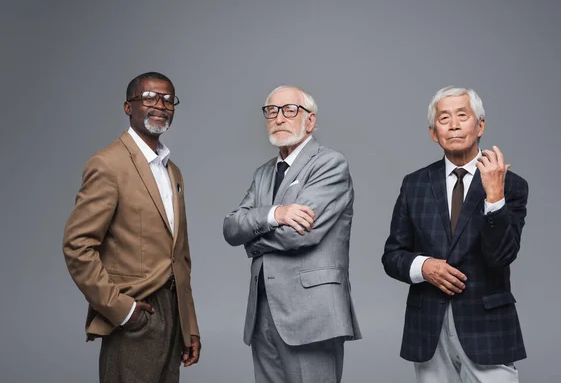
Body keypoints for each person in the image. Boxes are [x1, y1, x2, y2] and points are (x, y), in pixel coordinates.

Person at [382, 86, 528, 382]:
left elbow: (501, 256)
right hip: (428, 328)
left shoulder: (510, 185)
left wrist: (494, 196)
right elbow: (392, 256)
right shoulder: (414, 184)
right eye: (444, 118)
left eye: (462, 115)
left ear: (480, 126)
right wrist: (423, 267)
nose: (454, 124)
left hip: (488, 326)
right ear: (434, 133)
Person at [63, 72, 201, 383]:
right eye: (150, 97)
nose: (161, 106)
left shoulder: (172, 172)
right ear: (128, 107)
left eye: (168, 99)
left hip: (173, 313)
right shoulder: (108, 164)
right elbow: (77, 245)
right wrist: (124, 311)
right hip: (136, 314)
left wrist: (189, 325)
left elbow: (181, 257)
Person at [223, 85, 361, 383]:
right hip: (263, 313)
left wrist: (253, 239)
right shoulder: (263, 173)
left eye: (289, 110)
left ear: (310, 120)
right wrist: (276, 214)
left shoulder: (330, 164)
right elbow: (232, 227)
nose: (279, 118)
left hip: (312, 314)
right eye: (271, 111)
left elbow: (299, 235)